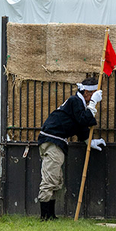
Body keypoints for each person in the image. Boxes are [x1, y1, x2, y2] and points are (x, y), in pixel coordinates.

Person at [36, 75, 105, 220]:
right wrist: (92, 104)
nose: (93, 98)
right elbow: (83, 119)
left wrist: (90, 142)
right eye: (92, 95)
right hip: (52, 141)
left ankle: (51, 216)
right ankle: (44, 217)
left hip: (56, 142)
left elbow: (81, 126)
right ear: (87, 92)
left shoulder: (78, 104)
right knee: (50, 178)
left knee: (56, 179)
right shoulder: (75, 101)